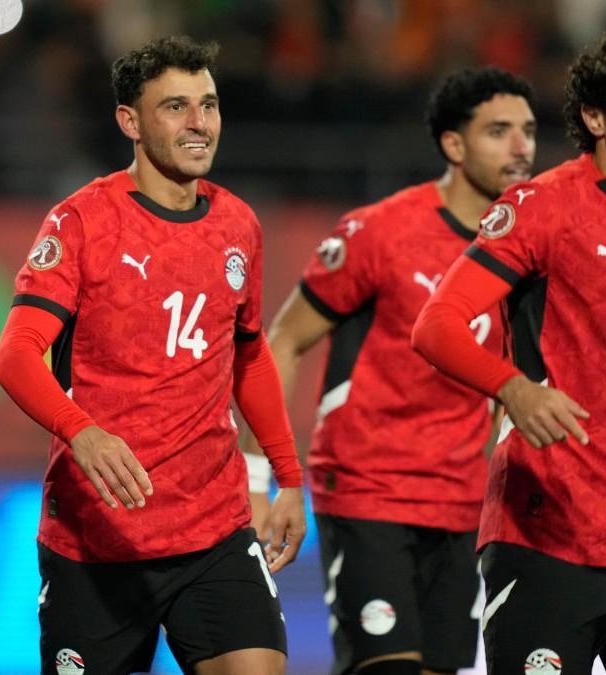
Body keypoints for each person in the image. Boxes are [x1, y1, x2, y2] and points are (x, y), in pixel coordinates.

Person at [0, 36, 306, 675]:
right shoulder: (81, 222)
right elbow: (16, 355)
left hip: (212, 531)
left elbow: (249, 358)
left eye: (209, 105)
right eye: (176, 107)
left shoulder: (238, 224)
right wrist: (82, 433)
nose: (199, 123)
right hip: (97, 536)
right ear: (130, 122)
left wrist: (288, 476)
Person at [412, 26, 606, 672]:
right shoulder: (542, 208)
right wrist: (514, 388)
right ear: (594, 115)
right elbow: (436, 324)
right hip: (545, 536)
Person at [239, 67, 535, 675]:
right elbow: (283, 341)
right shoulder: (381, 232)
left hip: (462, 506)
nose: (521, 147)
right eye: (499, 131)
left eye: (528, 131)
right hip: (369, 491)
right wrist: (255, 477)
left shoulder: (527, 251)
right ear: (454, 145)